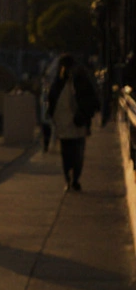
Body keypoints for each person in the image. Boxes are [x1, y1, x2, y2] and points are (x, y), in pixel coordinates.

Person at [46, 54, 100, 191]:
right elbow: (92, 100)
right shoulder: (79, 79)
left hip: (70, 124)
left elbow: (51, 101)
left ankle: (70, 179)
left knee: (68, 154)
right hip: (76, 124)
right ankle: (73, 179)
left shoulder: (61, 81)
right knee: (76, 154)